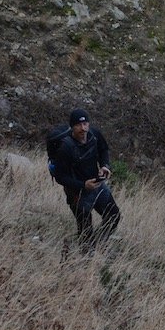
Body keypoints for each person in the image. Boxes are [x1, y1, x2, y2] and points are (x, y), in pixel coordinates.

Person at [50, 107, 120, 250]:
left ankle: (100, 246)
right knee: (86, 235)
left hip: (97, 184)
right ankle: (85, 260)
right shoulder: (66, 148)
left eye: (85, 124)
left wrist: (105, 165)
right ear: (72, 127)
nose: (83, 128)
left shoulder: (94, 135)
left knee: (113, 216)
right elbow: (60, 177)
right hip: (77, 193)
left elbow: (104, 150)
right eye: (78, 125)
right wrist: (83, 185)